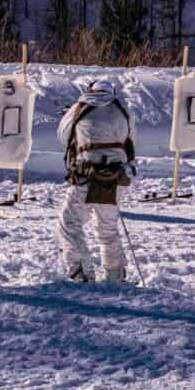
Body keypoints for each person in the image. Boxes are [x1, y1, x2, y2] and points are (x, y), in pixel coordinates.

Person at [57, 80, 137, 283]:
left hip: (86, 173)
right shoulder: (123, 110)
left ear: (91, 90)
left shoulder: (80, 107)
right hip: (116, 176)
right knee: (107, 228)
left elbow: (63, 135)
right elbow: (131, 139)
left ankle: (81, 271)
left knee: (69, 223)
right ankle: (115, 274)